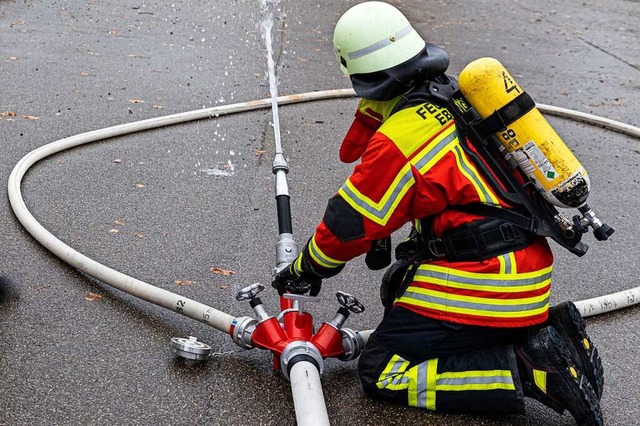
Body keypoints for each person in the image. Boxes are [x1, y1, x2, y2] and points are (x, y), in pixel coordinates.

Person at [273, 1, 604, 424]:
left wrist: (306, 269)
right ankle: (553, 336)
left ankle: (521, 370)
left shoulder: (404, 136)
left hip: (488, 285)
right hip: (524, 274)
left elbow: (351, 222)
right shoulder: (451, 96)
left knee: (382, 370)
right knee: (401, 286)